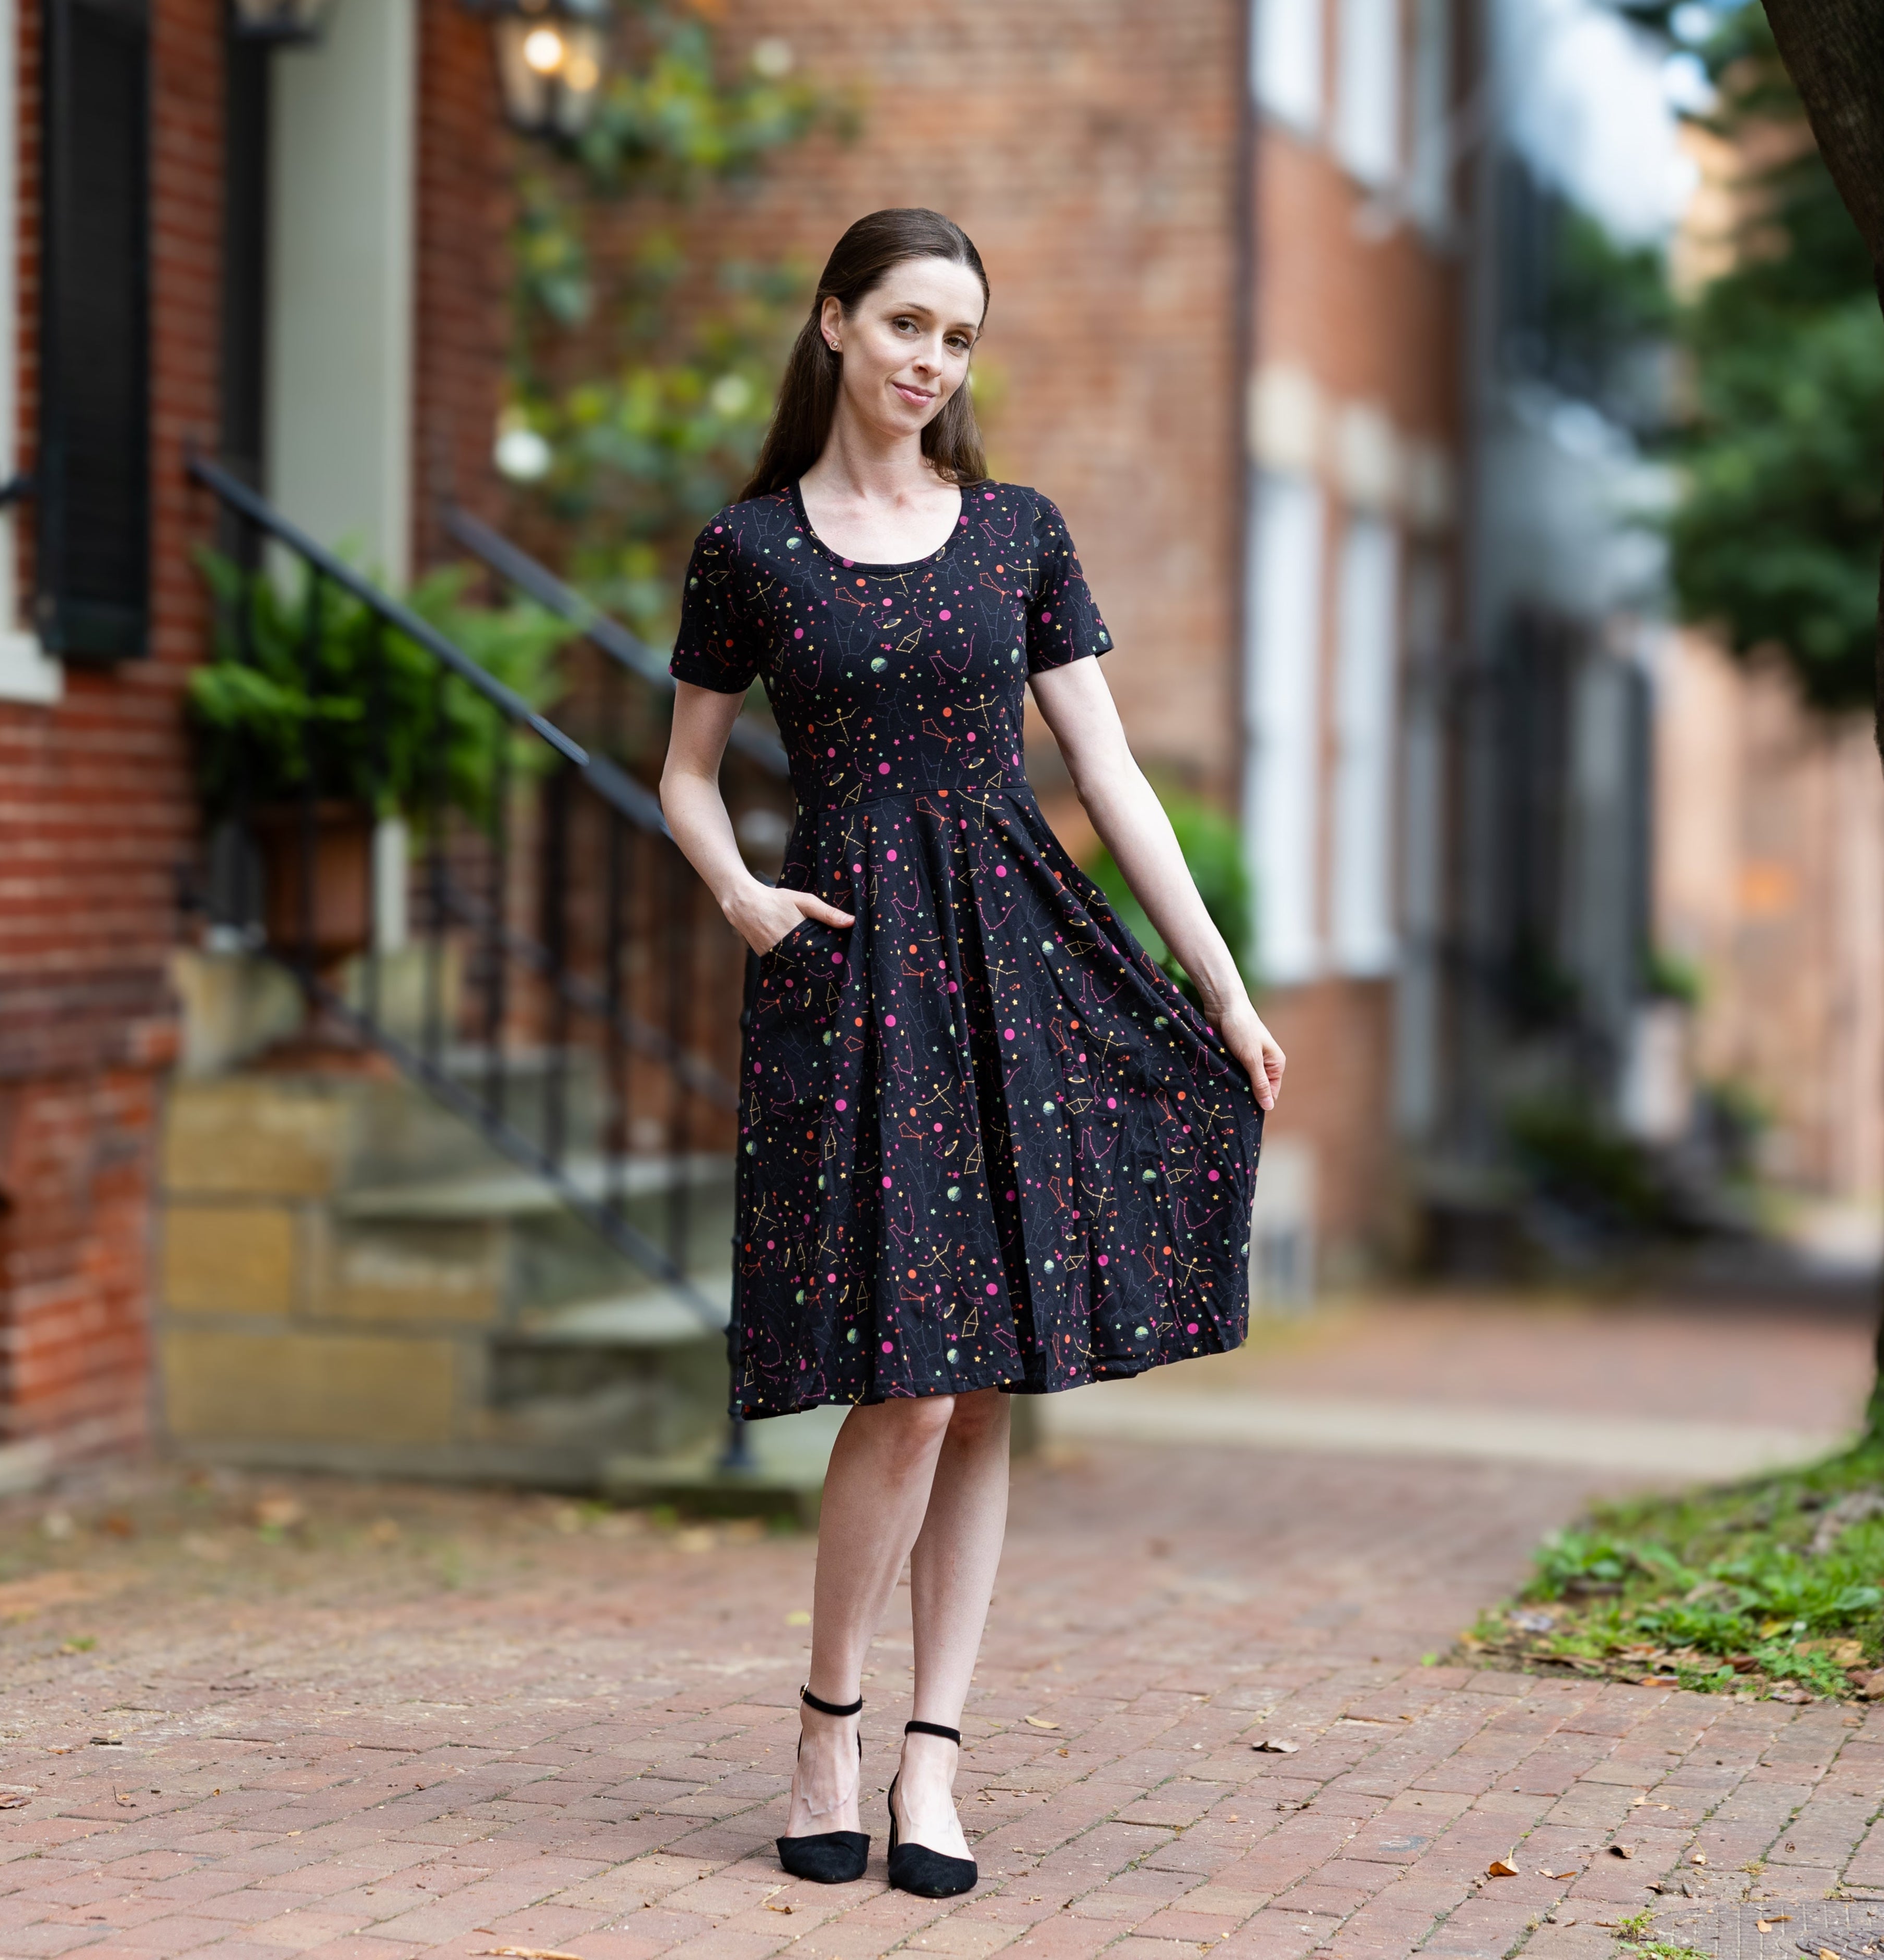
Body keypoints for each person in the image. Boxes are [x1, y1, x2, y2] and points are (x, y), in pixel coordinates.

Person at [659, 208, 1284, 1899]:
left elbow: (1112, 772)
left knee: (982, 1374)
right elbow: (686, 766)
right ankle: (824, 1725)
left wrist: (1219, 986)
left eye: (962, 339)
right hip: (852, 974)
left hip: (1019, 956)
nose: (935, 362)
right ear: (836, 325)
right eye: (912, 325)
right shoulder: (750, 550)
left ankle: (933, 1756)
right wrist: (738, 892)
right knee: (910, 1379)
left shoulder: (1018, 534)